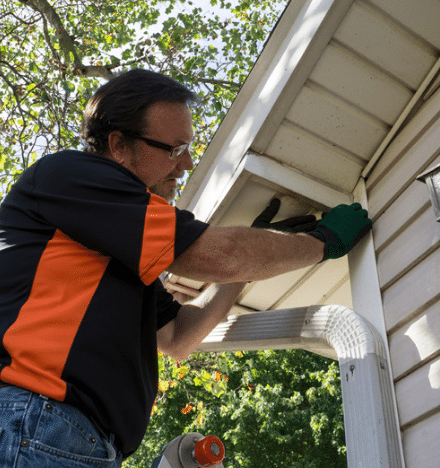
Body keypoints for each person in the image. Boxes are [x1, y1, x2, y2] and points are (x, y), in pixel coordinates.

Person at [0, 69, 372, 467]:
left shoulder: (115, 255)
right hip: (35, 420)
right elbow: (220, 254)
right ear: (118, 145)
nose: (187, 163)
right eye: (175, 149)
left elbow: (179, 336)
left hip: (64, 436)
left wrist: (248, 266)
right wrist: (320, 243)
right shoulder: (70, 176)